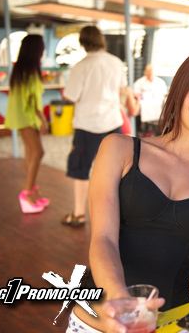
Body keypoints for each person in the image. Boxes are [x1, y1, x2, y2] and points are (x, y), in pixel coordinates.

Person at [67, 47, 189, 333]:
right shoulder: (120, 149)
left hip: (169, 325)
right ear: (179, 90)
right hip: (99, 321)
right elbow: (104, 238)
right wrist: (120, 300)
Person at [61, 26, 127, 227]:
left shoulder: (80, 67)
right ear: (101, 40)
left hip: (87, 125)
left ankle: (79, 214)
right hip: (113, 123)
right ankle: (117, 216)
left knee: (81, 168)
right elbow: (123, 90)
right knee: (115, 171)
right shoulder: (116, 62)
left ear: (82, 42)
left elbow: (71, 96)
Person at [4, 34, 50, 214]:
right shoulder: (32, 71)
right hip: (28, 117)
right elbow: (33, 99)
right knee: (38, 152)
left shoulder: (19, 69)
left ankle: (34, 190)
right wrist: (43, 120)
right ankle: (27, 193)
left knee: (31, 152)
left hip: (20, 116)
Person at [133, 64, 168, 136]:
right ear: (145, 72)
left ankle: (158, 130)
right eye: (148, 72)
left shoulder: (160, 82)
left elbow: (164, 94)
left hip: (158, 104)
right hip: (143, 104)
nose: (150, 74)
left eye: (151, 72)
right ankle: (143, 130)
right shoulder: (139, 82)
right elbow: (136, 94)